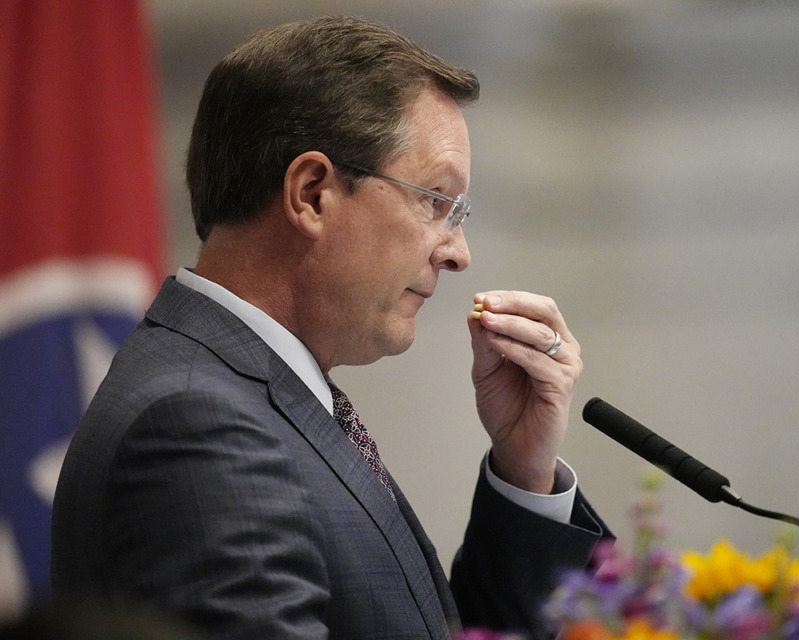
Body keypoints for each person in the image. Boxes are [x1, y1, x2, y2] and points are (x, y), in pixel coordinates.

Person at [51, 16, 610, 640]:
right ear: (312, 193)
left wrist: (523, 472)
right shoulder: (196, 423)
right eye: (434, 200)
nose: (458, 254)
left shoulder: (240, 398)